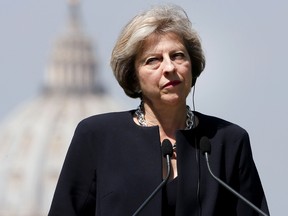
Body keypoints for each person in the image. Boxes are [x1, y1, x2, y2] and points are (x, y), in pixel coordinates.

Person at [48, 4, 269, 216]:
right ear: (133, 77)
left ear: (193, 65)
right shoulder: (97, 137)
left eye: (178, 56)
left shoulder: (228, 141)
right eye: (153, 60)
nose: (169, 67)